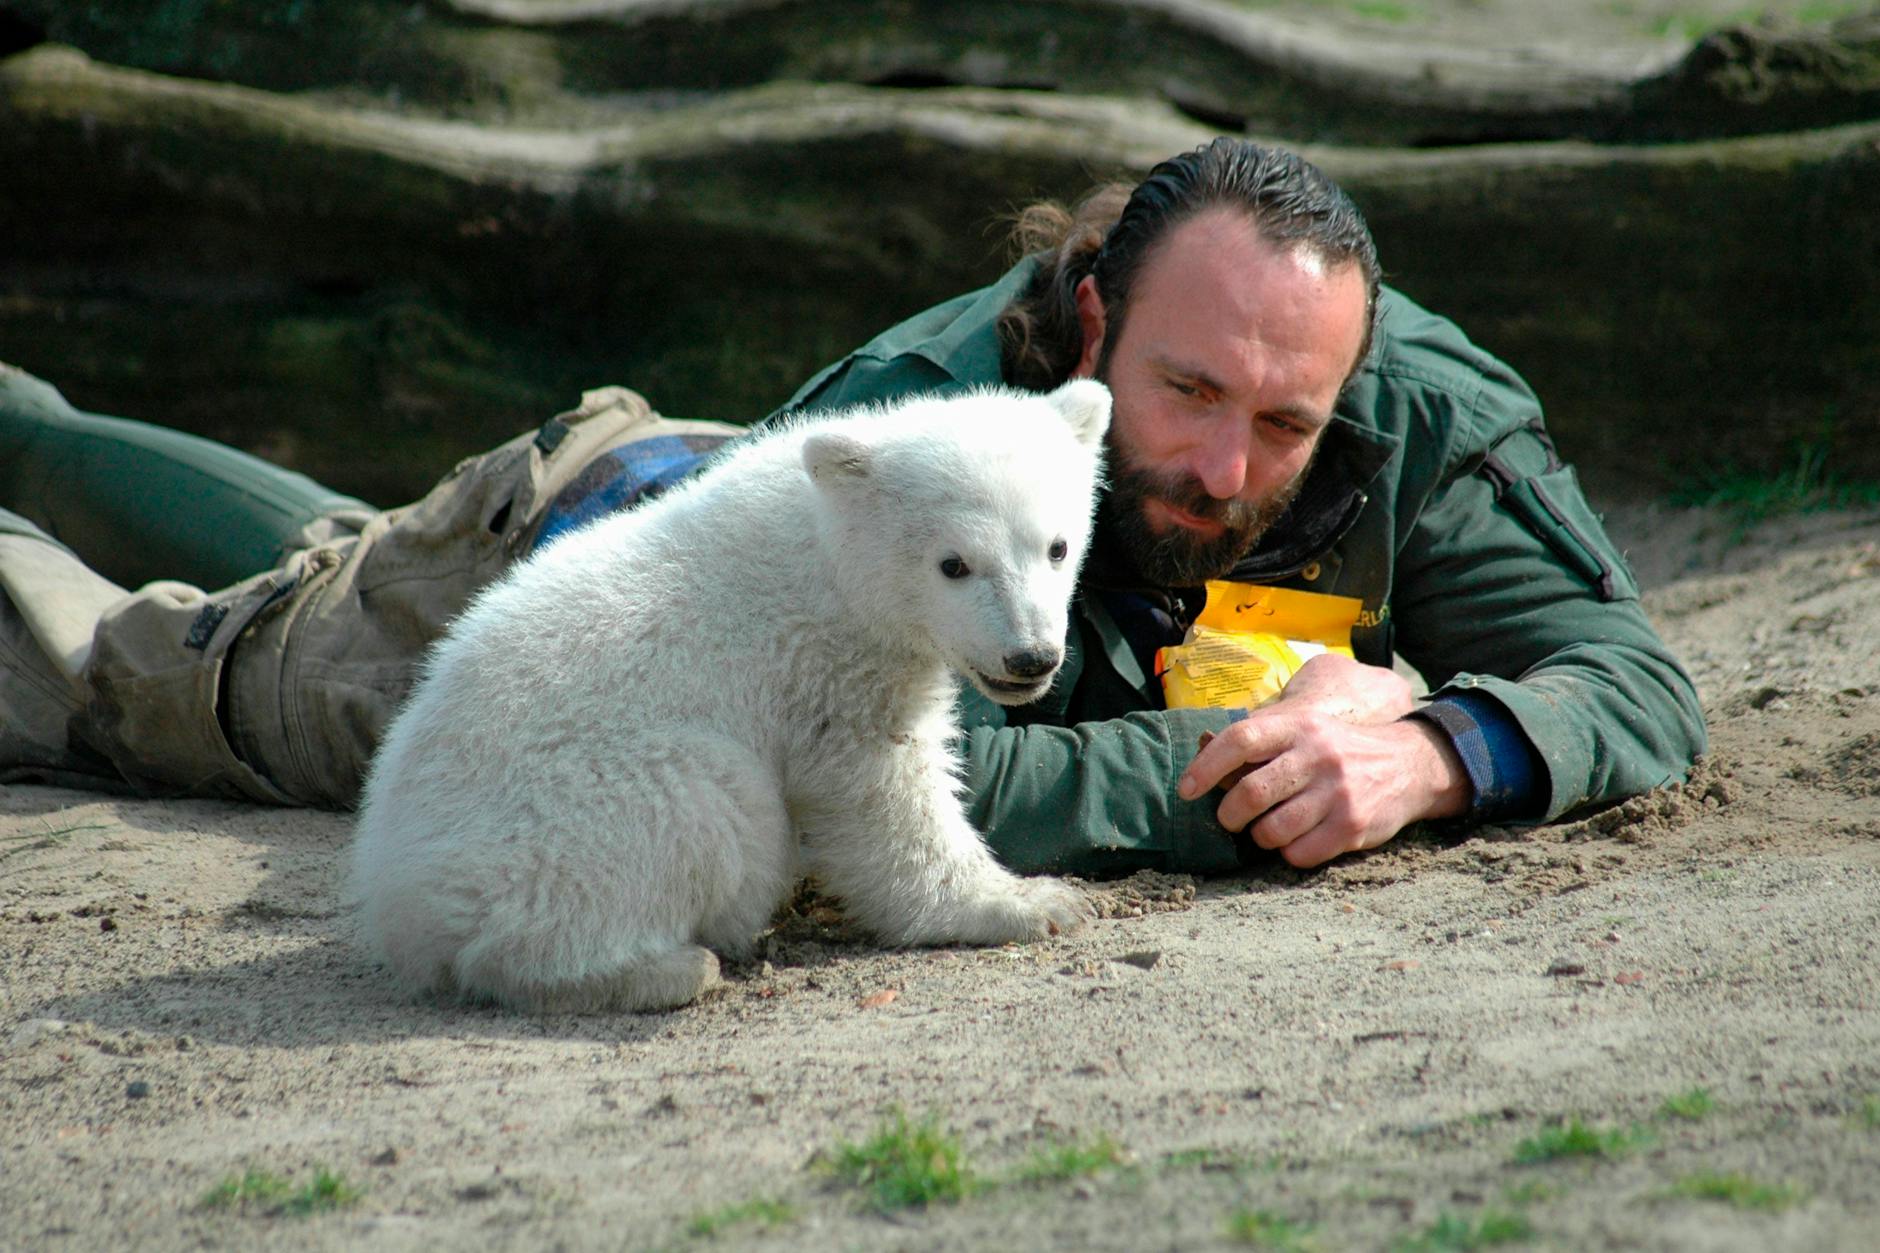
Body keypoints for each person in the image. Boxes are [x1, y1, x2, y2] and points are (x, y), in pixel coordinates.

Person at [0, 137, 1705, 876]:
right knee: (149, 671)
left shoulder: (1419, 412)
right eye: (1186, 396)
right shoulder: (922, 415)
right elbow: (873, 780)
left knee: (330, 543)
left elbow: (1630, 679)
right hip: (609, 616)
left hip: (683, 505)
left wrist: (1439, 750)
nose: (1228, 467)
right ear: (1096, 322)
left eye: (1287, 419)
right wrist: (1259, 773)